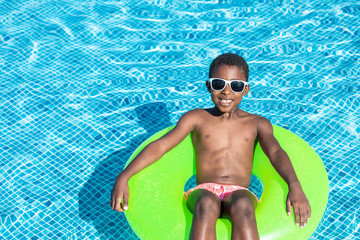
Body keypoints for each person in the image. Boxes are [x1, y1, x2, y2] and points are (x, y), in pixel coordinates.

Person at [111, 53, 311, 240]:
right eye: (218, 83)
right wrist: (124, 175)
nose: (226, 91)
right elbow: (161, 146)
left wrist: (295, 185)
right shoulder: (196, 118)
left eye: (236, 86)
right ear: (208, 86)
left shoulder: (257, 124)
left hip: (240, 191)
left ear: (246, 89)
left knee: (243, 205)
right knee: (206, 203)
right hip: (204, 190)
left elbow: (276, 152)